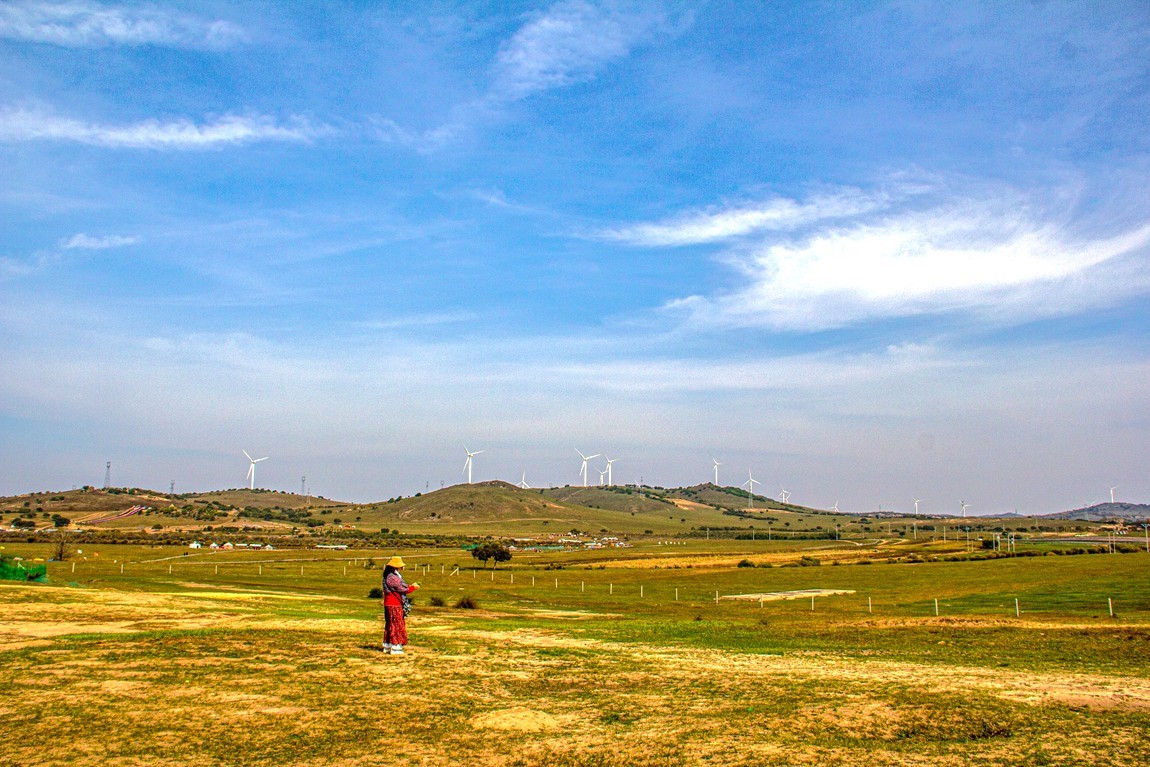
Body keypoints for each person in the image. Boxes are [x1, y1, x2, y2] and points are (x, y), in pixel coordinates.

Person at [381, 556, 419, 655]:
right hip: (394, 603)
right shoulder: (392, 577)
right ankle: (396, 646)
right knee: (397, 624)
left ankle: (388, 644)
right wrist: (412, 587)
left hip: (390, 603)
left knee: (390, 624)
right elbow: (402, 588)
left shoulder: (389, 575)